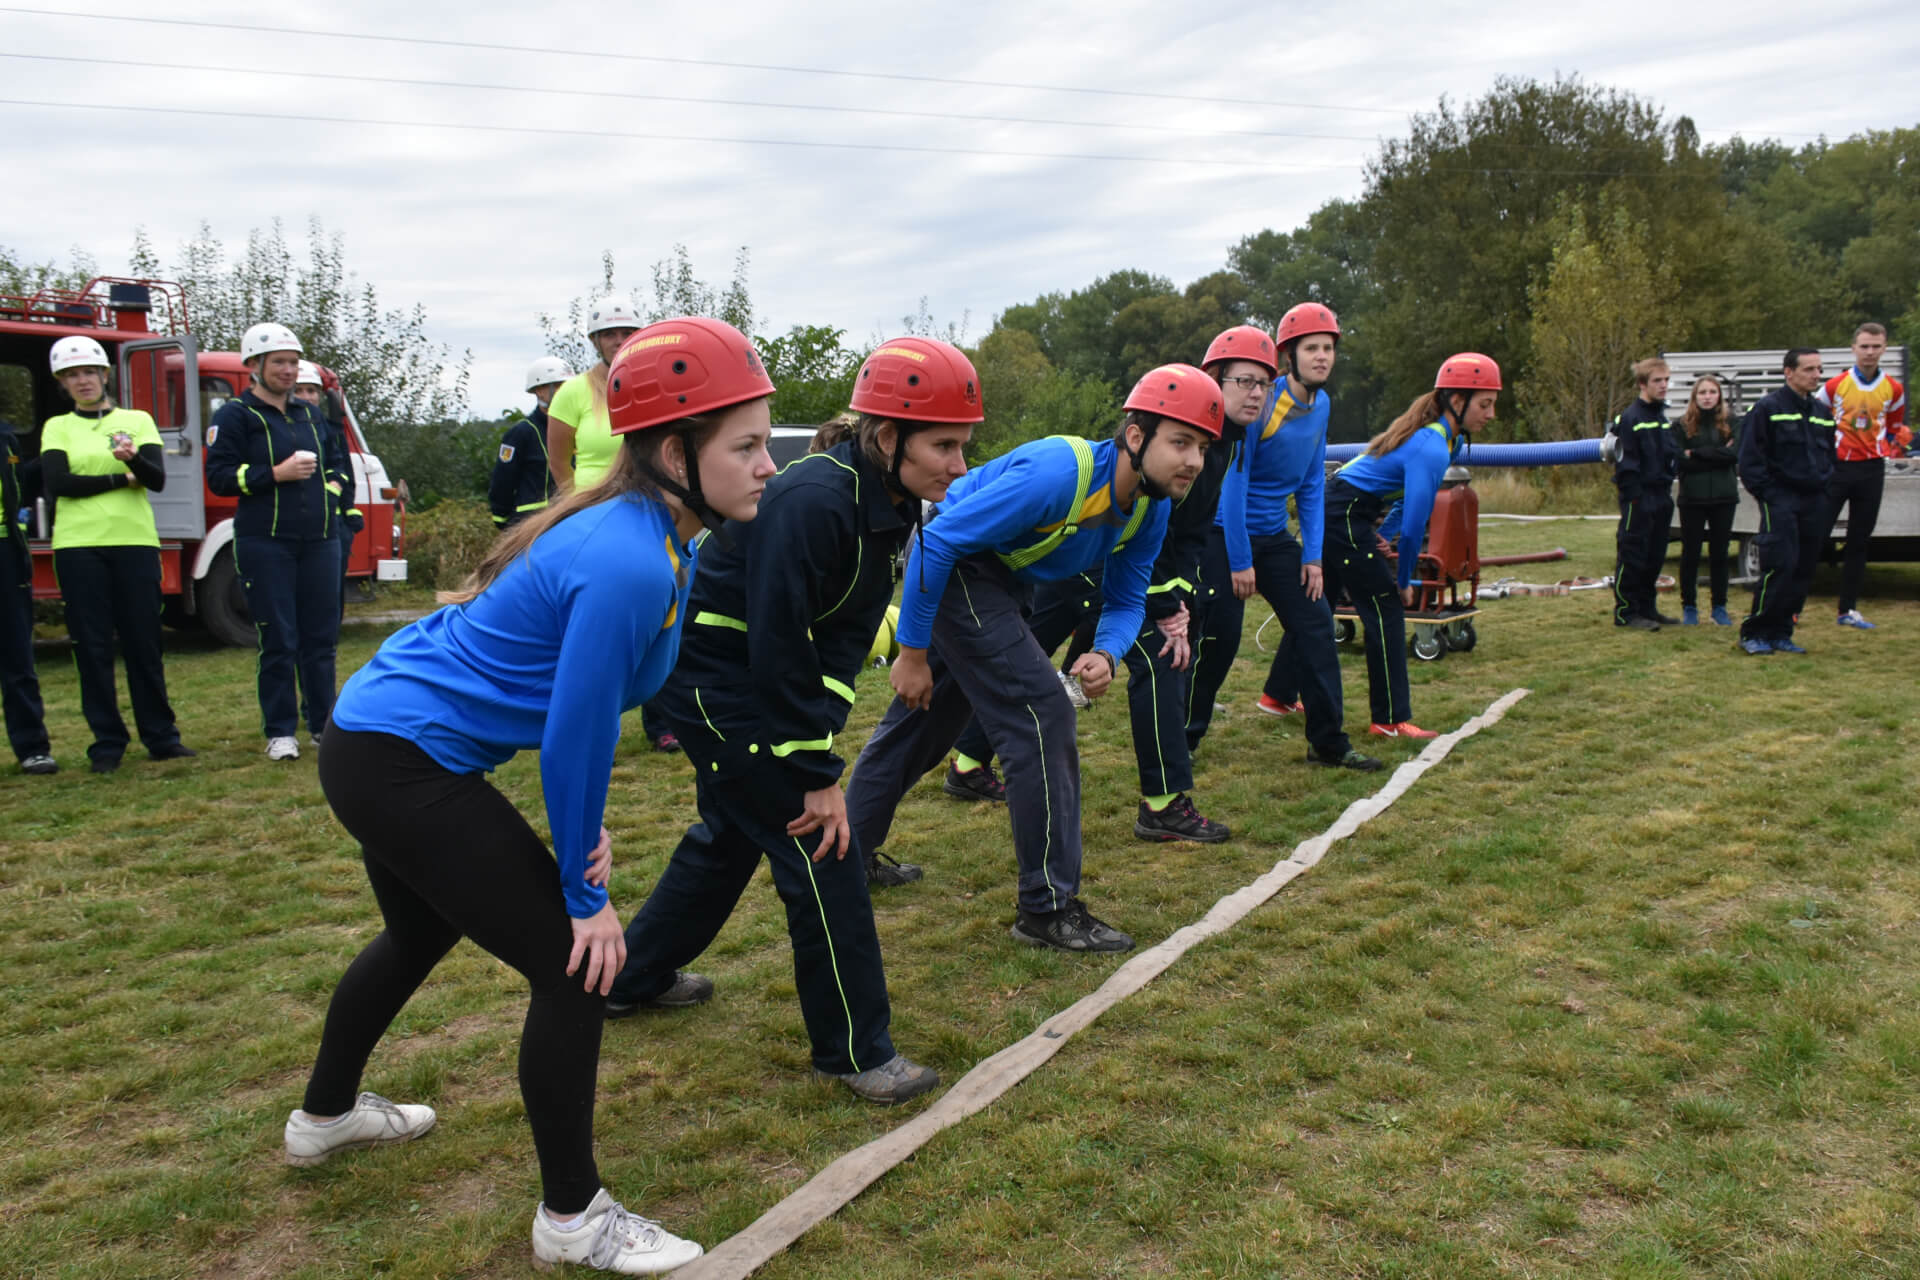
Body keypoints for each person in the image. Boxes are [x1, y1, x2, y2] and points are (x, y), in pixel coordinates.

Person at [287, 316, 776, 1275]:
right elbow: (575, 735)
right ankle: (573, 1218)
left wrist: (582, 840)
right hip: (396, 757)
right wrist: (586, 897)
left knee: (419, 935)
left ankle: (325, 1117)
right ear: (675, 455)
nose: (768, 466)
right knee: (575, 966)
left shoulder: (658, 536)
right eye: (747, 446)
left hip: (377, 738)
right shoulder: (628, 558)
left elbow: (582, 710)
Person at [607, 336, 981, 1103]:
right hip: (715, 683)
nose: (959, 464)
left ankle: (630, 978)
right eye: (944, 445)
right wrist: (814, 772)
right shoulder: (816, 501)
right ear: (889, 438)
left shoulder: (887, 502)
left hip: (752, 680)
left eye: (963, 445)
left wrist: (817, 738)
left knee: (728, 839)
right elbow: (779, 640)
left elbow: (835, 639)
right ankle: (856, 1052)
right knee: (824, 848)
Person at [844, 365, 1220, 953]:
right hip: (951, 565)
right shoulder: (1060, 473)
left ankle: (846, 858)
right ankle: (1047, 908)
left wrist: (1107, 652)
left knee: (923, 725)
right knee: (1043, 714)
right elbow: (938, 541)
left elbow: (1127, 599)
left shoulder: (1151, 509)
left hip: (998, 578)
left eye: (1201, 448)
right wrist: (911, 652)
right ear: (1136, 435)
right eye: (1181, 442)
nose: (1193, 461)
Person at [1186, 308, 1384, 764]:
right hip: (1225, 535)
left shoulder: (1322, 405)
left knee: (1316, 625)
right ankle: (1183, 739)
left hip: (1275, 537)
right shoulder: (1262, 401)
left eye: (1328, 348)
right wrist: (1240, 561)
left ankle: (1329, 744)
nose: (1321, 357)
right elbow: (1235, 482)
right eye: (1311, 348)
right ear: (1289, 355)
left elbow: (1312, 482)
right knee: (1220, 640)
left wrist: (1312, 557)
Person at [39, 336, 195, 773]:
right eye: (72, 375)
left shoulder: (137, 419)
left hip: (134, 543)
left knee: (143, 643)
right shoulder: (58, 427)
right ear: (63, 383)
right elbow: (59, 484)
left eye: (89, 372)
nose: (83, 381)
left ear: (105, 375)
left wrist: (135, 465)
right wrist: (123, 478)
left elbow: (156, 478)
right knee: (91, 647)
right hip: (78, 546)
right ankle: (107, 743)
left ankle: (161, 737)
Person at [1322, 354, 1501, 735]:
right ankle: (1389, 720)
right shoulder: (1432, 446)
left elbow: (1404, 503)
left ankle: (1279, 695)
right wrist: (1403, 581)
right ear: (1457, 400)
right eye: (1485, 404)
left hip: (1347, 509)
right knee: (1386, 609)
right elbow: (1417, 523)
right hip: (1344, 510)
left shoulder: (1449, 441)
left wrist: (1381, 537)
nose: (1491, 414)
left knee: (1321, 606)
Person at [207, 324, 349, 759]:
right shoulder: (234, 416)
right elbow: (219, 477)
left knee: (321, 640)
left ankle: (324, 725)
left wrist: (329, 495)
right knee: (279, 640)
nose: (288, 371)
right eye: (279, 363)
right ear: (254, 365)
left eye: (293, 363)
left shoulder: (309, 414)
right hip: (265, 542)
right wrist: (274, 474)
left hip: (320, 540)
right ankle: (281, 731)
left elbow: (337, 465)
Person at [1738, 348, 1833, 655]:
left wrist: (1825, 488)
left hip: (1814, 501)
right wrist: (1771, 496)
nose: (1816, 375)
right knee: (1780, 565)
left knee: (1803, 569)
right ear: (1788, 372)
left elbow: (1830, 456)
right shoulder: (1767, 409)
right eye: (1809, 369)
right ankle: (1755, 632)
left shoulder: (1821, 413)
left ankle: (1782, 632)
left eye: (1819, 369)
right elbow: (1749, 461)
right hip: (1781, 500)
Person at [1815, 322, 1909, 629]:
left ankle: (1848, 610)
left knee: (1858, 541)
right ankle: (1791, 607)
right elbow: (1815, 421)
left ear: (1884, 349)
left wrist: (1891, 447)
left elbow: (1894, 427)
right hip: (1837, 468)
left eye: (1876, 347)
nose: (1870, 352)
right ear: (1853, 348)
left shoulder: (1893, 389)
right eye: (1864, 346)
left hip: (1871, 470)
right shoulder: (1834, 386)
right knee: (1815, 536)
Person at [2, 414, 55, 774]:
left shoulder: (4, 437)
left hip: (6, 554)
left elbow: (20, 482)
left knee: (17, 657)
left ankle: (33, 748)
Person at [1610, 357, 1680, 632]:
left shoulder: (1661, 417)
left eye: (1666, 380)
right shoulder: (1631, 418)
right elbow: (1625, 464)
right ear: (1642, 384)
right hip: (1639, 498)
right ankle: (1626, 612)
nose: (1663, 386)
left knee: (1655, 556)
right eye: (1657, 381)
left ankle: (1648, 609)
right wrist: (1635, 498)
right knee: (1633, 555)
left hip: (1662, 496)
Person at [547, 297, 641, 492]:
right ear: (594, 341)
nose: (619, 341)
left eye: (627, 333)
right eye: (609, 335)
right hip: (593, 501)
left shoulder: (655, 385)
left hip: (648, 500)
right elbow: (558, 463)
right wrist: (576, 503)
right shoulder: (572, 392)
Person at [293, 361, 361, 625]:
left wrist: (348, 509)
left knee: (332, 587)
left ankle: (330, 632)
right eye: (299, 390)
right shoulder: (283, 428)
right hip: (297, 520)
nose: (307, 396)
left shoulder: (331, 429)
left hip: (333, 523)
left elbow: (344, 471)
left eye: (312, 390)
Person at [1671, 374, 1739, 626]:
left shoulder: (1733, 423)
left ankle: (1719, 607)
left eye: (1712, 392)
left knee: (1720, 554)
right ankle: (1689, 607)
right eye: (1702, 392)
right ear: (1694, 397)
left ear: (1719, 395)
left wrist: (1696, 454)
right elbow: (1680, 459)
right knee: (1690, 553)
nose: (1707, 397)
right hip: (1692, 498)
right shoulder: (1681, 426)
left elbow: (1735, 454)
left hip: (1724, 497)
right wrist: (1717, 454)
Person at [490, 356, 568, 531]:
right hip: (529, 527)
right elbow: (502, 482)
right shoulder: (521, 433)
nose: (564, 391)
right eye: (557, 385)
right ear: (539, 390)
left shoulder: (576, 429)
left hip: (567, 522)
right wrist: (504, 523)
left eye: (566, 386)